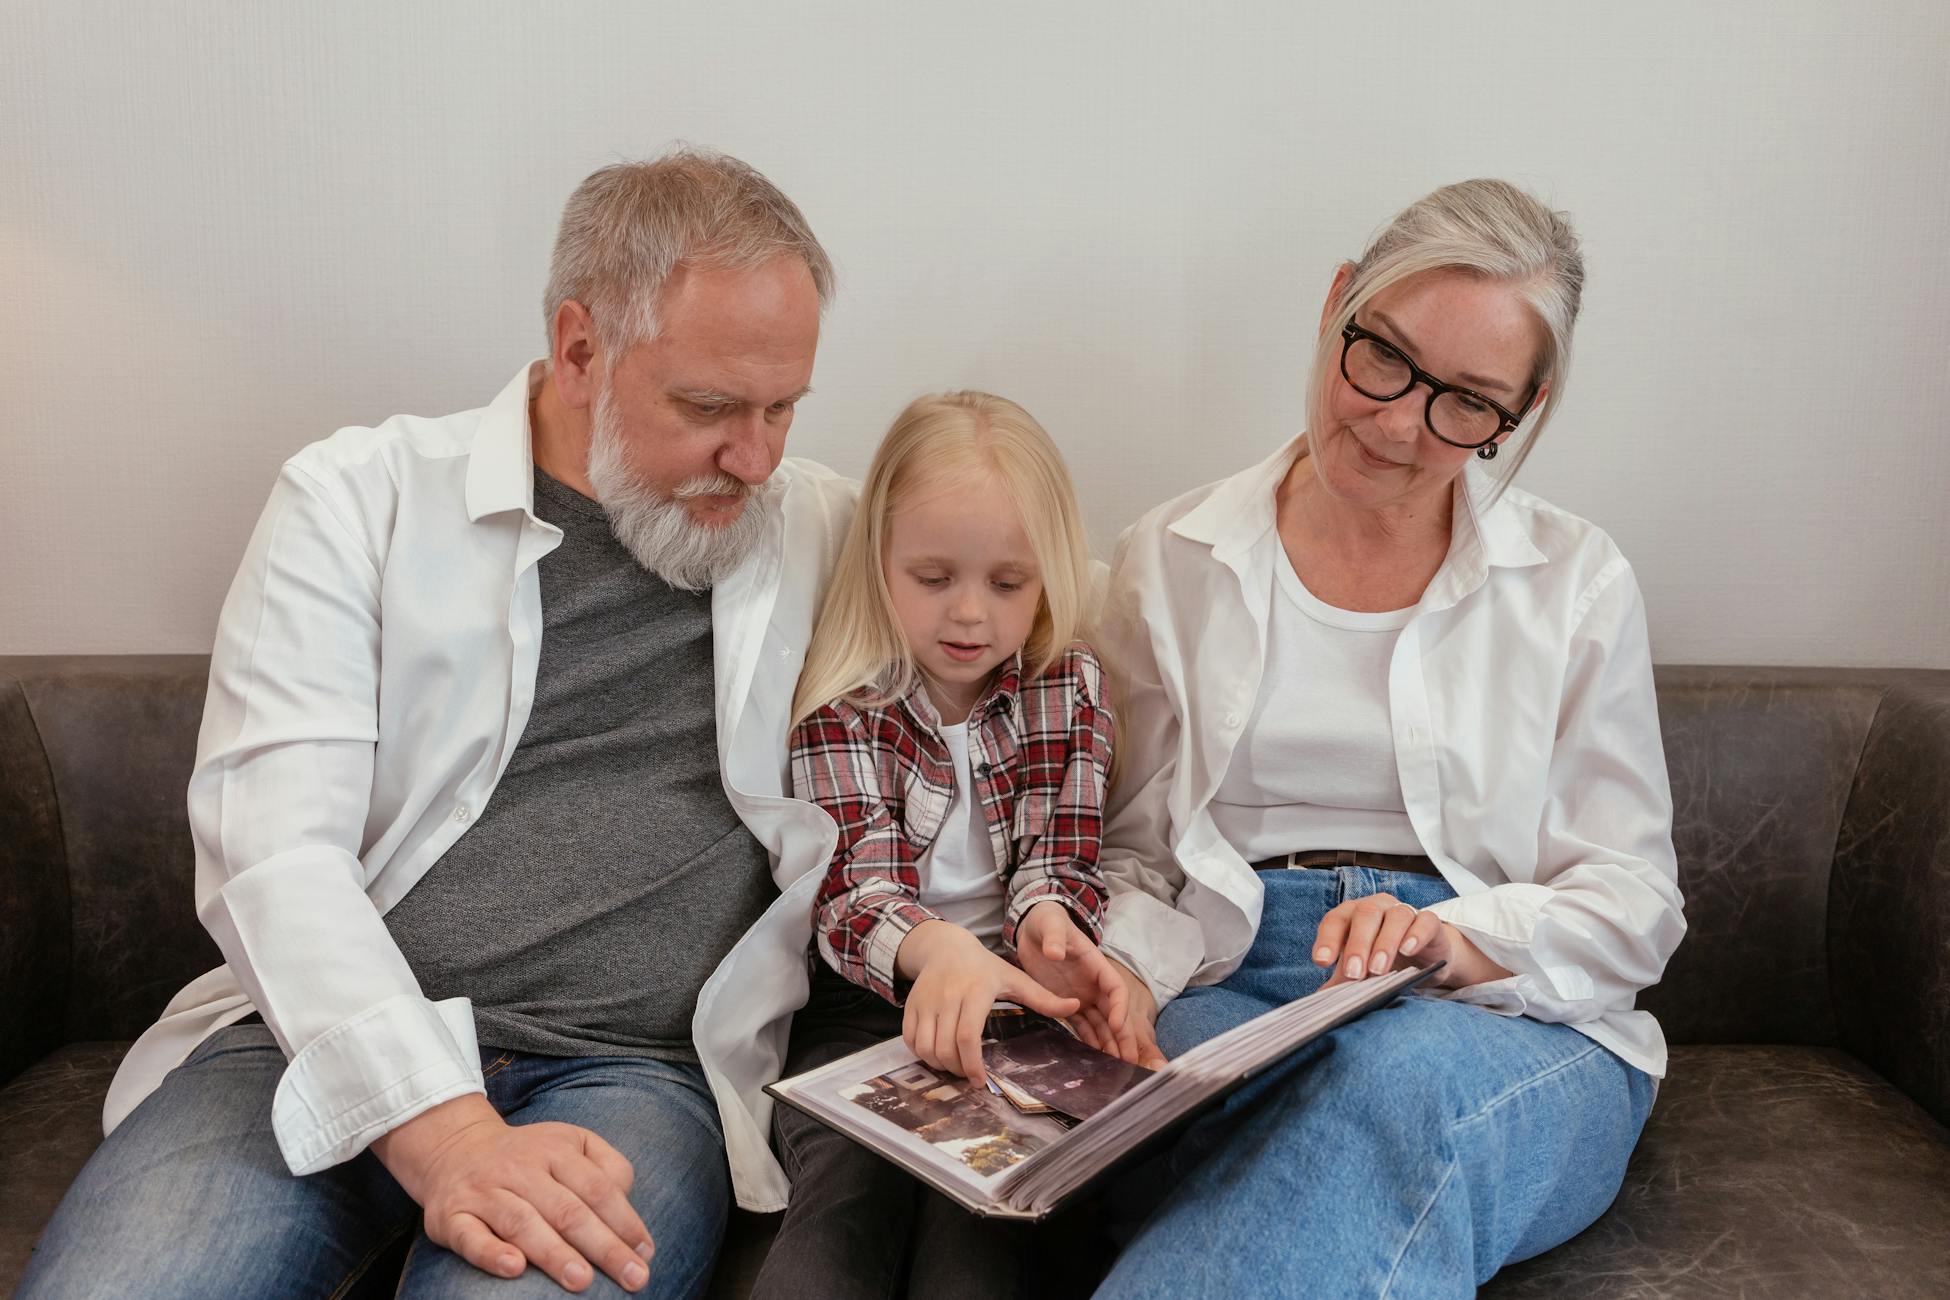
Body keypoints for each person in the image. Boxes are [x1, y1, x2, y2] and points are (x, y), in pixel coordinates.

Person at [22, 148, 856, 1299]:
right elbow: (275, 854)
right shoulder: (356, 502)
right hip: (303, 1046)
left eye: (784, 408)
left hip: (629, 1077)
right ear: (578, 349)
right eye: (710, 408)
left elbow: (1043, 593)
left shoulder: (823, 527)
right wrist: (450, 1133)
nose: (756, 458)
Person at [1086, 180, 1687, 1297]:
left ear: (1526, 407)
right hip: (1233, 978)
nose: (1401, 424)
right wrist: (1112, 962)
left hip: (1496, 1012)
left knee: (1393, 1080)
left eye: (1468, 402)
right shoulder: (1168, 555)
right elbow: (1132, 850)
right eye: (1385, 360)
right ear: (1335, 308)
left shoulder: (1575, 581)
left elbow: (1636, 904)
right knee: (1132, 1126)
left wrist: (1454, 935)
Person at [749, 392, 1128, 1300]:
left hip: (1015, 1013)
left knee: (983, 1242)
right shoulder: (843, 699)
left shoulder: (1067, 686)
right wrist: (944, 954)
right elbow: (854, 894)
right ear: (879, 564)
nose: (971, 616)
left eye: (1008, 583)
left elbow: (1062, 857)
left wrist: (1048, 924)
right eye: (932, 578)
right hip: (866, 1008)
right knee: (844, 1210)